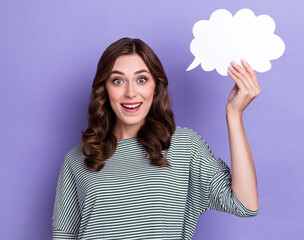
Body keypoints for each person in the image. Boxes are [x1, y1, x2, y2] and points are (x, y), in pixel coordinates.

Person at [52, 37, 260, 240]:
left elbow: (245, 204)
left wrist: (234, 114)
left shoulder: (184, 146)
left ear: (155, 87)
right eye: (118, 80)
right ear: (104, 89)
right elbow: (64, 236)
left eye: (141, 79)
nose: (130, 93)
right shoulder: (77, 159)